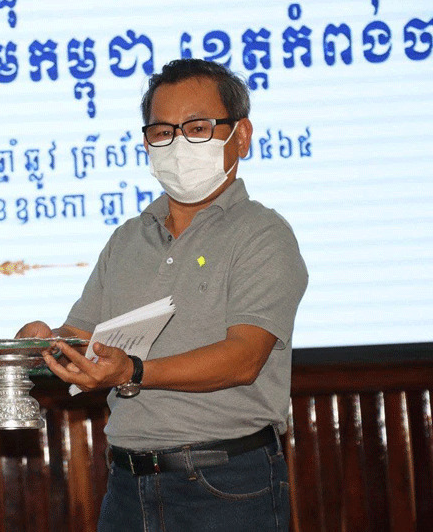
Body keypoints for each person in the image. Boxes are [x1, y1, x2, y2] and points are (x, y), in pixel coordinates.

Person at [17, 58, 308, 532]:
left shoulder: (263, 234)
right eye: (162, 132)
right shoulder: (127, 238)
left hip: (224, 484)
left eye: (197, 128)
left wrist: (133, 371)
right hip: (127, 484)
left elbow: (243, 359)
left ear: (241, 136)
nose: (178, 145)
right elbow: (84, 337)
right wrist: (44, 343)